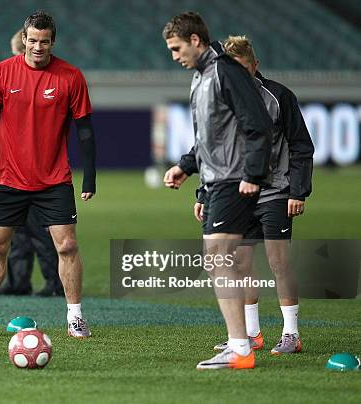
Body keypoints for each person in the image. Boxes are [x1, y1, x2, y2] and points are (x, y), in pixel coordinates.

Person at [0, 11, 97, 338]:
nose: (38, 47)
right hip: (9, 179)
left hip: (54, 180)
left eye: (45, 42)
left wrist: (90, 175)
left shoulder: (70, 76)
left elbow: (85, 132)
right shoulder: (1, 74)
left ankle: (75, 317)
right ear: (24, 39)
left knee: (67, 245)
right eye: (33, 40)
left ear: (53, 42)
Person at [162, 12, 273, 369]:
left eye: (177, 48)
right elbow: (211, 137)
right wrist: (186, 165)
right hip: (216, 180)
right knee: (226, 261)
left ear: (196, 40)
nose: (174, 55)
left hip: (234, 178)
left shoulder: (226, 71)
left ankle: (240, 347)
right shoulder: (202, 77)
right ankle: (241, 341)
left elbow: (257, 124)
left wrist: (253, 174)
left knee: (217, 257)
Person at [197, 35, 313, 355]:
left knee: (278, 263)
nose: (240, 77)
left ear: (255, 65)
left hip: (275, 191)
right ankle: (251, 334)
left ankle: (291, 333)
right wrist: (203, 195)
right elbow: (213, 150)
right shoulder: (222, 98)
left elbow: (301, 145)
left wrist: (298, 190)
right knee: (240, 264)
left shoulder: (279, 97)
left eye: (245, 69)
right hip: (237, 194)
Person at [0, 28, 62, 297]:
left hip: (40, 174)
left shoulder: (51, 80)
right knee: (18, 235)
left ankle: (54, 283)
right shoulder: (6, 79)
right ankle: (19, 281)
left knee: (40, 232)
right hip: (14, 171)